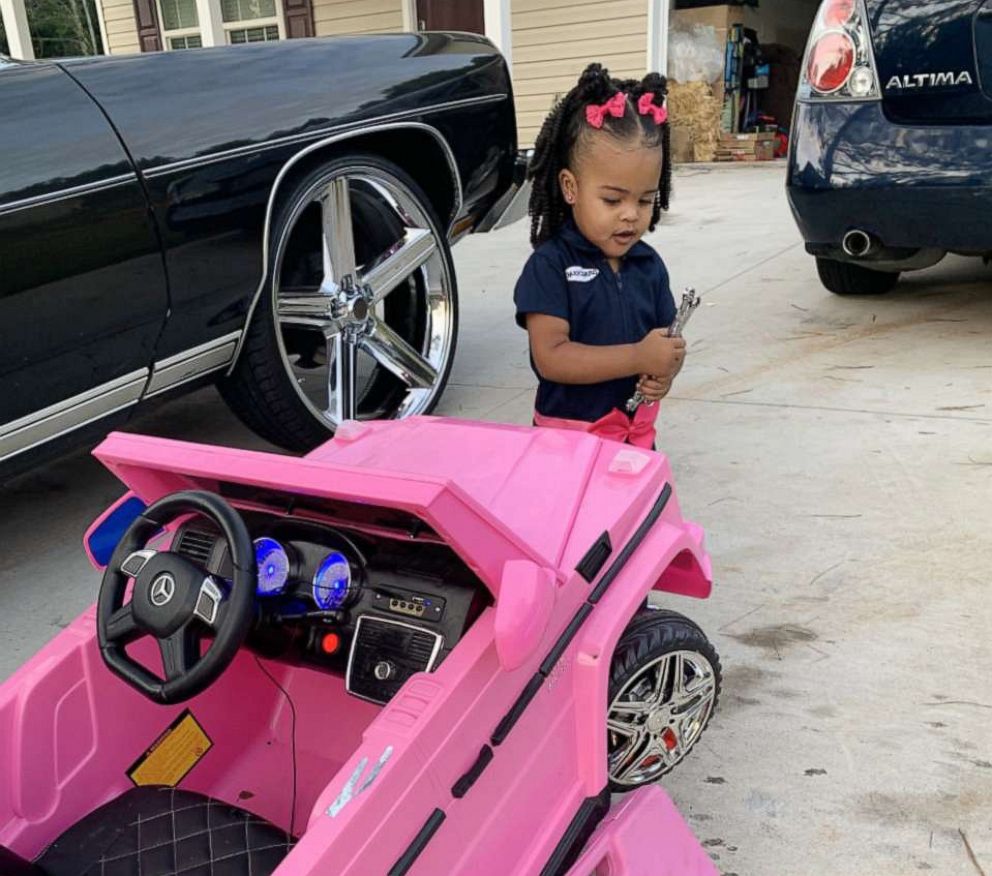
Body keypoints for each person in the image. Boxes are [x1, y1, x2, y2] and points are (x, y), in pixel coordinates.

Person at [514, 63, 684, 449]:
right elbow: (552, 357)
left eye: (645, 199)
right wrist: (639, 356)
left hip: (634, 438)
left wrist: (665, 368)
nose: (630, 213)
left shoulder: (649, 266)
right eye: (612, 199)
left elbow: (665, 341)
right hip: (567, 445)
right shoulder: (550, 266)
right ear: (570, 187)